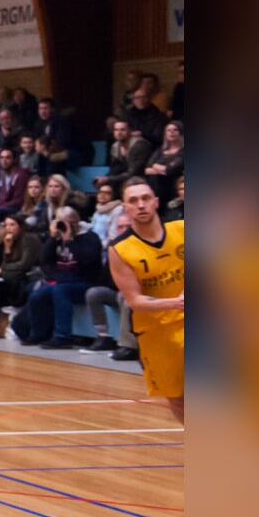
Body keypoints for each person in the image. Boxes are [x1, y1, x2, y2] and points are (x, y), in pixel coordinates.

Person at [106, 179, 185, 422]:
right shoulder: (120, 249)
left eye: (145, 198)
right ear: (125, 208)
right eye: (133, 200)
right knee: (177, 397)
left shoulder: (183, 229)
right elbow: (135, 300)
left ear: (156, 202)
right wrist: (175, 303)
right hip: (156, 330)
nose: (141, 205)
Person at [11, 207, 104, 349]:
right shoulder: (57, 238)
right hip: (63, 281)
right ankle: (38, 333)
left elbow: (87, 261)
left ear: (76, 222)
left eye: (68, 222)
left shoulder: (90, 237)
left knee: (60, 290)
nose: (64, 226)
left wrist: (70, 241)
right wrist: (53, 238)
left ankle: (62, 337)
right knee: (38, 294)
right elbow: (44, 260)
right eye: (60, 222)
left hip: (86, 282)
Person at [0, 147, 29, 223]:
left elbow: (18, 201)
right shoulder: (3, 173)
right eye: (1, 158)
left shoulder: (21, 175)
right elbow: (1, 196)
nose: (4, 161)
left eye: (7, 158)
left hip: (16, 208)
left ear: (14, 160)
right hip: (4, 206)